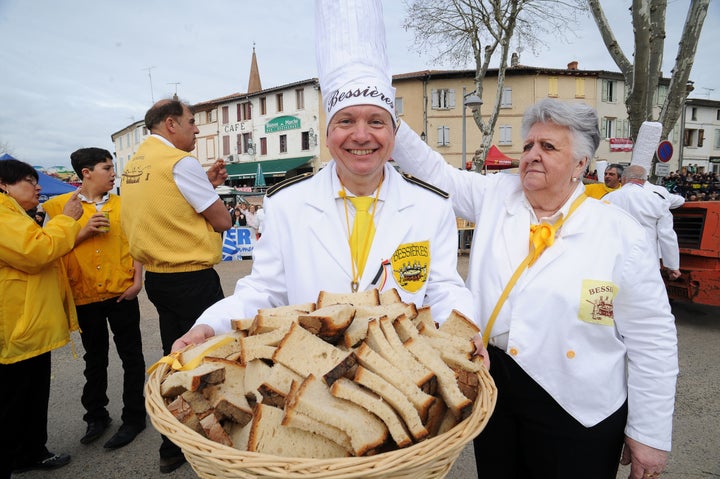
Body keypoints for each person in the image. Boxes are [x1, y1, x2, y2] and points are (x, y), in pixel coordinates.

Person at [172, 0, 477, 365]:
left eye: (377, 122)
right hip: (309, 374)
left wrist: (464, 334)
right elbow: (264, 290)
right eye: (346, 121)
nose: (361, 135)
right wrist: (211, 324)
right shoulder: (288, 203)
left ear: (394, 134)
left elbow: (442, 289)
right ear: (328, 133)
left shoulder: (431, 205)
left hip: (404, 373)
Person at [391, 98, 678, 479]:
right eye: (528, 146)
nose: (532, 155)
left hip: (579, 410)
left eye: (548, 147)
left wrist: (649, 435)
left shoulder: (620, 233)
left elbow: (652, 337)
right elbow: (435, 172)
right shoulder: (496, 195)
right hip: (497, 394)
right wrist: (380, 115)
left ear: (581, 164)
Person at [120, 98, 232, 474]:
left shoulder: (134, 164)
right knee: (210, 359)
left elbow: (164, 207)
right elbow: (222, 221)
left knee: (176, 355)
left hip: (160, 278)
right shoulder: (180, 163)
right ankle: (211, 443)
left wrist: (207, 182)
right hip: (192, 276)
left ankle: (172, 443)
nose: (196, 129)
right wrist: (212, 192)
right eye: (191, 121)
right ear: (170, 124)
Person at [43, 148, 147, 450]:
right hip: (84, 294)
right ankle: (96, 416)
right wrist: (83, 232)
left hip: (121, 292)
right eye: (106, 168)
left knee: (132, 357)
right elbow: (51, 247)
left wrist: (138, 280)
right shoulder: (59, 206)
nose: (113, 173)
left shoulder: (123, 204)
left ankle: (134, 417)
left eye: (112, 167)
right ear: (86, 173)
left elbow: (136, 242)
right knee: (95, 358)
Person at [0, 159, 83, 477]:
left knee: (33, 394)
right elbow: (37, 252)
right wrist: (68, 221)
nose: (37, 187)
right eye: (28, 180)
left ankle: (31, 452)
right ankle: (14, 457)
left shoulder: (14, 213)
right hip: (17, 326)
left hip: (29, 323)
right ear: (4, 184)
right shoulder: (3, 213)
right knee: (14, 399)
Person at [604, 165, 682, 281]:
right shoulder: (657, 201)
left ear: (623, 179)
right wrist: (672, 265)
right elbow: (666, 235)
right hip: (647, 260)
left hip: (614, 260)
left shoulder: (607, 199)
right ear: (644, 180)